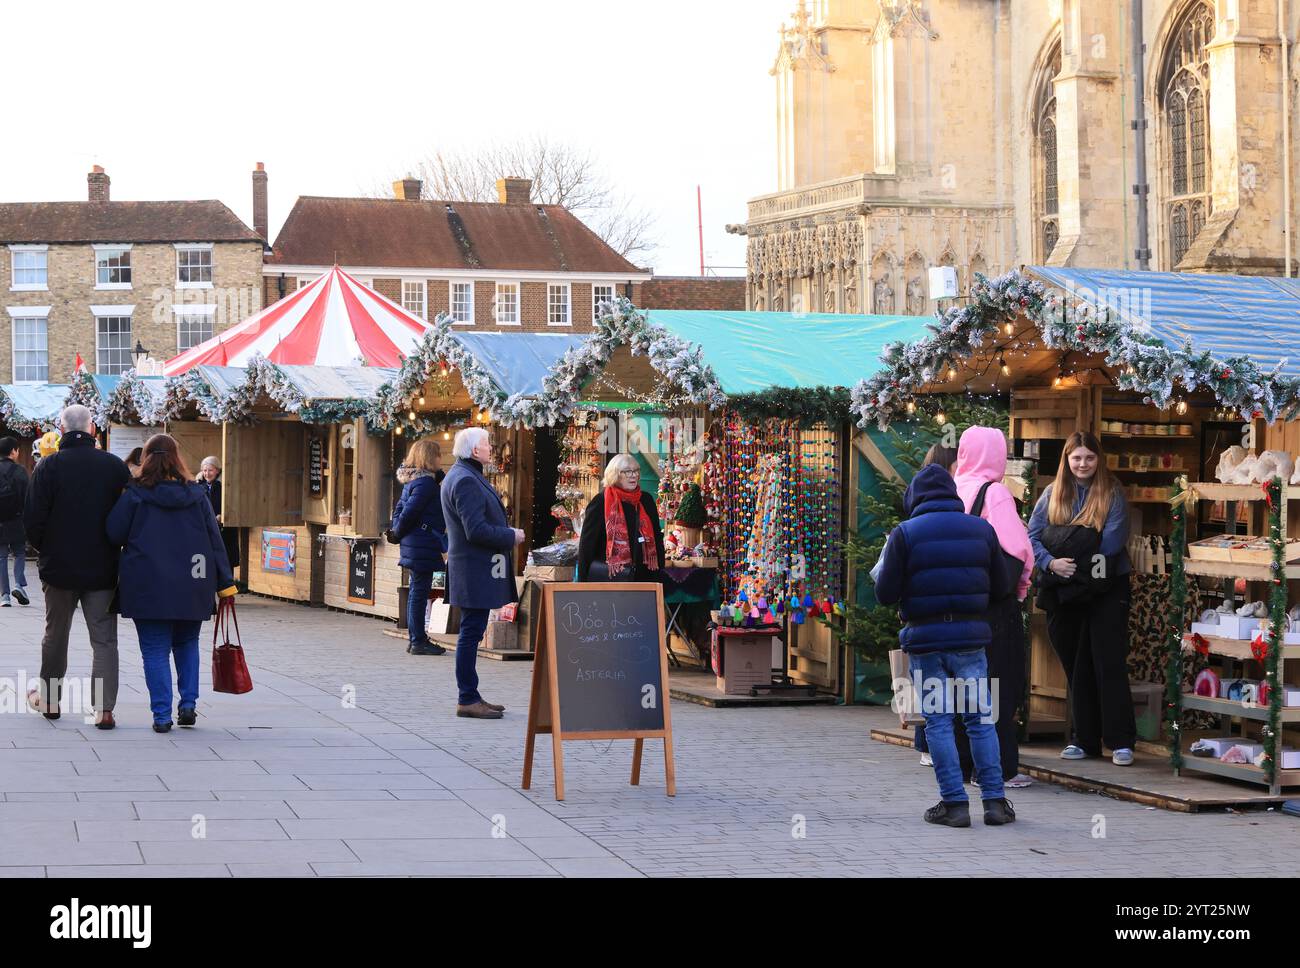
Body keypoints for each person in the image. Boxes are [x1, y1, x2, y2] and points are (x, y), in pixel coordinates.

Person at [875, 462, 1017, 827]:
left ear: (914, 498)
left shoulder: (905, 534)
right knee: (980, 721)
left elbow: (885, 593)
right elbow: (1002, 587)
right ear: (952, 495)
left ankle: (954, 805)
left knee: (938, 722)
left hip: (927, 643)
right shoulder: (981, 529)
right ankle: (995, 803)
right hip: (970, 642)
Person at [107, 434, 236, 732]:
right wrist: (225, 584)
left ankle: (162, 716)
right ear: (177, 458)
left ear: (146, 458)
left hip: (147, 583)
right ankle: (188, 704)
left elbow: (114, 533)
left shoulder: (135, 494)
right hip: (194, 581)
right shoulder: (196, 494)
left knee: (154, 651)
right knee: (187, 643)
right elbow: (215, 540)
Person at [1028, 430, 1136, 766]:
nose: (1083, 463)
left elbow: (1111, 544)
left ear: (1098, 459)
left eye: (1089, 457)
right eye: (1077, 457)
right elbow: (1032, 535)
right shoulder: (1052, 493)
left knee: (1108, 661)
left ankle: (1120, 741)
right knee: (1075, 664)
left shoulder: (1112, 494)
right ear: (1067, 459)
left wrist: (1075, 567)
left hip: (1105, 588)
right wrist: (1050, 562)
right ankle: (1084, 740)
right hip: (1063, 589)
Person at [23, 405, 130, 729]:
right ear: (93, 428)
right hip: (102, 567)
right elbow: (127, 514)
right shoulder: (113, 467)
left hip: (59, 568)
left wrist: (49, 548)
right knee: (104, 640)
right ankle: (104, 709)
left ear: (61, 429)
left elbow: (32, 519)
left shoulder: (48, 466)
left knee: (55, 635)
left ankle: (51, 700)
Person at [953, 426, 1035, 789]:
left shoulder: (954, 487)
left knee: (960, 689)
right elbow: (1018, 549)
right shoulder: (996, 493)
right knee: (999, 688)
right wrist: (1020, 590)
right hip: (994, 611)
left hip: (957, 608)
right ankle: (1000, 769)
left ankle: (962, 764)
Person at [440, 428, 523, 719]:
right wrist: (510, 535)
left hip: (473, 568)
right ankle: (467, 697)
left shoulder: (464, 474)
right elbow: (475, 530)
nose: (492, 447)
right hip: (474, 568)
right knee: (470, 632)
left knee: (472, 630)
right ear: (475, 450)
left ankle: (471, 694)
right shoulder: (464, 480)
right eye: (488, 444)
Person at [390, 438, 448, 656]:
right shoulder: (425, 485)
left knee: (417, 589)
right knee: (419, 591)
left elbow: (399, 511)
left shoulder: (414, 481)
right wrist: (398, 532)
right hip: (422, 543)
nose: (441, 459)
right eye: (438, 455)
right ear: (429, 457)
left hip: (415, 542)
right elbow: (408, 512)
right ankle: (418, 640)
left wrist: (398, 532)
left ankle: (416, 637)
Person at [577, 453, 665, 582]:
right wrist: (582, 582)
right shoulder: (601, 501)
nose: (634, 475)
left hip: (645, 576)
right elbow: (587, 545)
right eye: (627, 471)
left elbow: (657, 537)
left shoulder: (646, 500)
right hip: (610, 578)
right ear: (615, 475)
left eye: (636, 471)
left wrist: (659, 571)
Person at [0, 437, 31, 607]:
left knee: (1, 557)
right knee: (19, 553)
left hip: (0, 522)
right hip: (17, 519)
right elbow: (28, 497)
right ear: (13, 451)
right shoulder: (20, 471)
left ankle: (4, 596)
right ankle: (19, 585)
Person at [198, 456, 240, 577]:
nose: (207, 473)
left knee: (226, 562)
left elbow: (233, 506)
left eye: (210, 470)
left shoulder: (225, 486)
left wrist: (224, 515)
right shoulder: (199, 487)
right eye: (204, 470)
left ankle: (227, 593)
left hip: (225, 531)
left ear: (217, 470)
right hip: (207, 530)